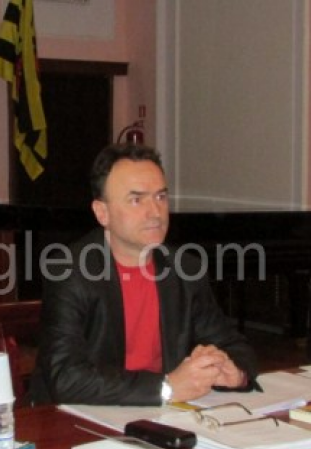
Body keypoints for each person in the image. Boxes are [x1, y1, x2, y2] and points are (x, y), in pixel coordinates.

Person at [27, 143, 258, 406]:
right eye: (136, 200)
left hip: (161, 414)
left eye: (160, 197)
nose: (155, 213)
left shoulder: (185, 269)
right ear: (102, 213)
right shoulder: (70, 272)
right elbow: (65, 378)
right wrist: (166, 387)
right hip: (77, 417)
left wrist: (235, 372)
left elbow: (234, 345)